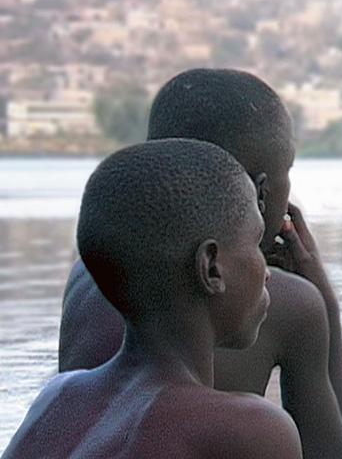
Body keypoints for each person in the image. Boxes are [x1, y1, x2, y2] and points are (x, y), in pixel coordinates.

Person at [59, 69, 342, 458]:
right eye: (289, 172)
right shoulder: (290, 303)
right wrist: (324, 301)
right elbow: (338, 454)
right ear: (261, 192)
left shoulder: (93, 272)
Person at [3, 140, 302, 459]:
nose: (267, 271)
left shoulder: (57, 398)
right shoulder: (249, 431)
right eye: (256, 243)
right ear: (211, 267)